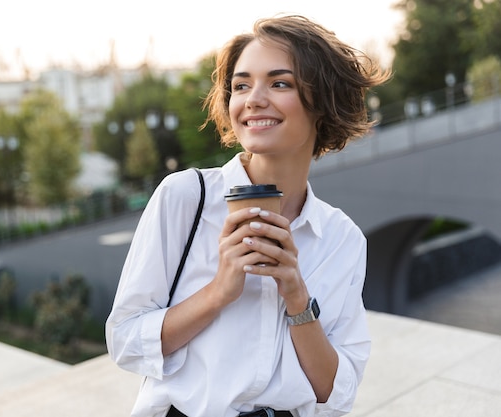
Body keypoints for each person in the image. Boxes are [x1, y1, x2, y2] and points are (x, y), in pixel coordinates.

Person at [106, 14, 391, 417]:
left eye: (279, 83)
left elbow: (336, 394)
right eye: (241, 85)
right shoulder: (185, 198)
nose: (253, 99)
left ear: (323, 103)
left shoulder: (341, 237)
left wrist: (297, 297)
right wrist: (220, 290)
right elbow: (126, 342)